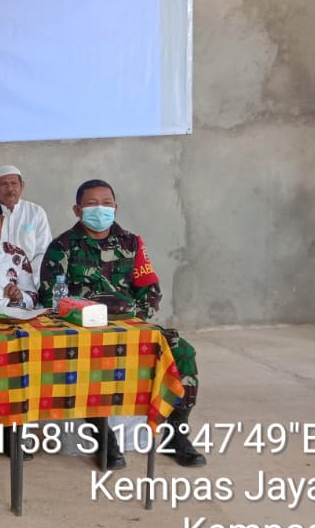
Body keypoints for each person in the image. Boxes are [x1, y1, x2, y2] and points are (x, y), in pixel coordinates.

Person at [39, 179, 205, 470]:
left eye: (106, 203)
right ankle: (104, 438)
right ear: (77, 209)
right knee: (91, 358)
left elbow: (150, 290)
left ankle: (176, 434)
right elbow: (51, 298)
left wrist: (133, 315)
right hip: (84, 329)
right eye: (91, 204)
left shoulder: (132, 243)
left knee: (182, 352)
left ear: (115, 207)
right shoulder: (62, 247)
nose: (100, 209)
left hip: (131, 325)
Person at [0, 164, 52, 282]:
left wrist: (27, 279)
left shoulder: (36, 212)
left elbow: (43, 252)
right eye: (4, 184)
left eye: (14, 183)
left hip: (30, 279)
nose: (10, 189)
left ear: (22, 186)